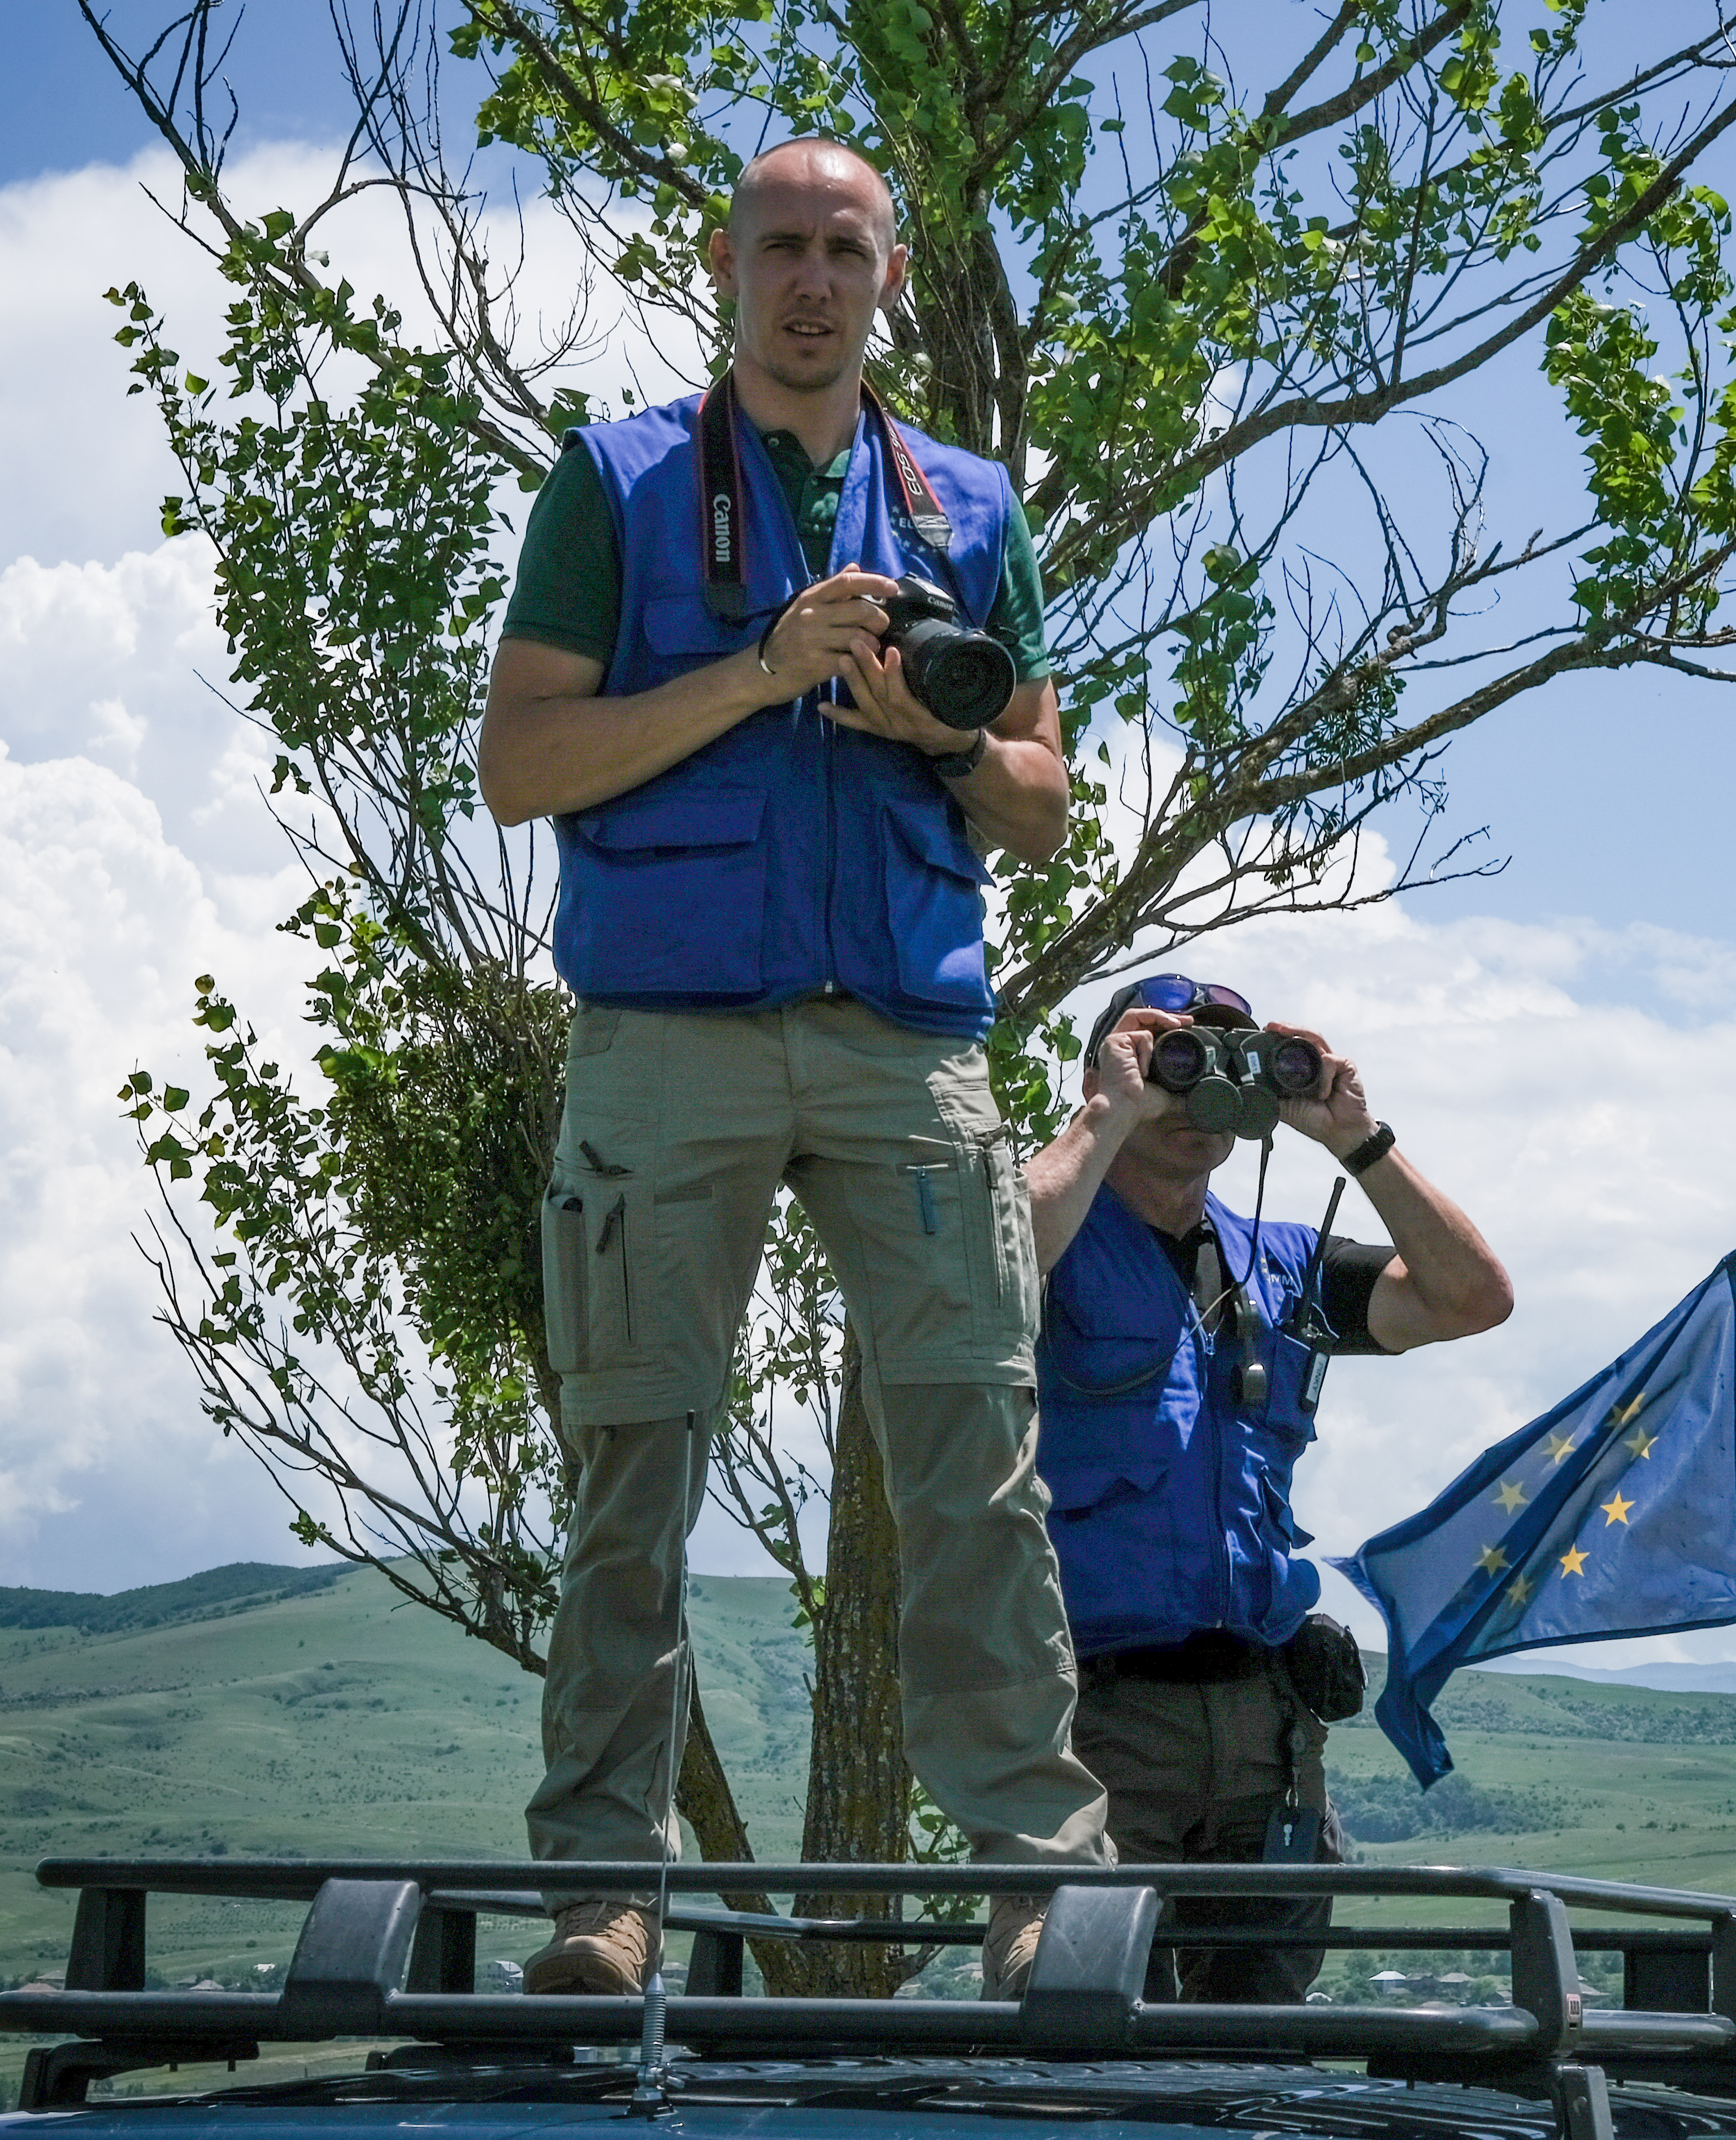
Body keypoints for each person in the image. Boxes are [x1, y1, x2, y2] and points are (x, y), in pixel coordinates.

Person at [476, 137, 1111, 1998]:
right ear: (726, 267)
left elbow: (1047, 810)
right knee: (633, 1466)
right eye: (781, 250)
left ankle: (1039, 1888)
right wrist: (758, 674)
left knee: (977, 1462)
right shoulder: (617, 481)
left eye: (845, 249)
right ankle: (605, 1895)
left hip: (907, 1038)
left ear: (890, 274)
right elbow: (521, 767)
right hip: (665, 1034)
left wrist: (937, 732)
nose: (813, 282)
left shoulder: (967, 502)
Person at [1021, 974, 1514, 2000]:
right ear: (1102, 1070)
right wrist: (1110, 1116)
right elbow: (982, 1273)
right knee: (1087, 2027)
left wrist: (1355, 1139)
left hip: (1266, 1729)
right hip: (1102, 1727)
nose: (1199, 1084)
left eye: (1225, 1056)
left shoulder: (1278, 1264)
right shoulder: (1054, 1235)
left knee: (1261, 2045)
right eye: (1174, 1055)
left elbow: (1474, 1299)